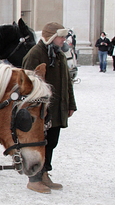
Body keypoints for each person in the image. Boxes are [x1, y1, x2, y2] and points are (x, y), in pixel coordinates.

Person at [22, 22, 77, 194]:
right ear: (51, 37)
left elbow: (67, 82)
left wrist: (71, 104)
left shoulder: (59, 55)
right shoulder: (35, 54)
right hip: (40, 110)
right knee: (39, 142)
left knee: (51, 142)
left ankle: (44, 173)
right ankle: (34, 178)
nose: (63, 40)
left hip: (57, 108)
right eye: (61, 37)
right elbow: (26, 83)